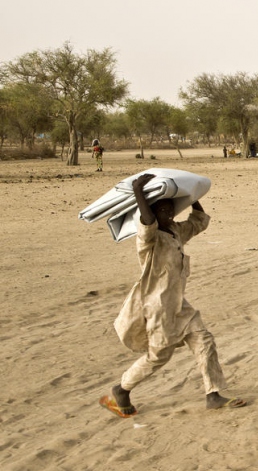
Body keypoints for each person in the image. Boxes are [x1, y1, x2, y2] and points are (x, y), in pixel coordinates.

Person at [99, 173, 246, 417]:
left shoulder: (177, 232)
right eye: (162, 210)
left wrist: (192, 195)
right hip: (156, 306)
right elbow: (146, 221)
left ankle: (214, 394)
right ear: (153, 214)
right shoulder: (149, 239)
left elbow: (199, 221)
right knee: (158, 356)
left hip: (179, 304)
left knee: (204, 340)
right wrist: (138, 191)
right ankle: (122, 389)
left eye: (170, 209)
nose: (168, 213)